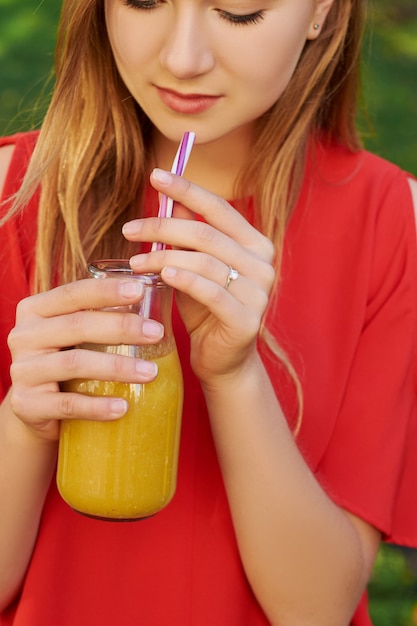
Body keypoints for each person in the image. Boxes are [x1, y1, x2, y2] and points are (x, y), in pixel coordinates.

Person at [0, 0, 416, 624]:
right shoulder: (13, 195)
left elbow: (317, 609)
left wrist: (234, 376)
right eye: (143, 1)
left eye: (239, 12)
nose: (181, 58)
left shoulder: (393, 224)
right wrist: (24, 426)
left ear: (322, 12)